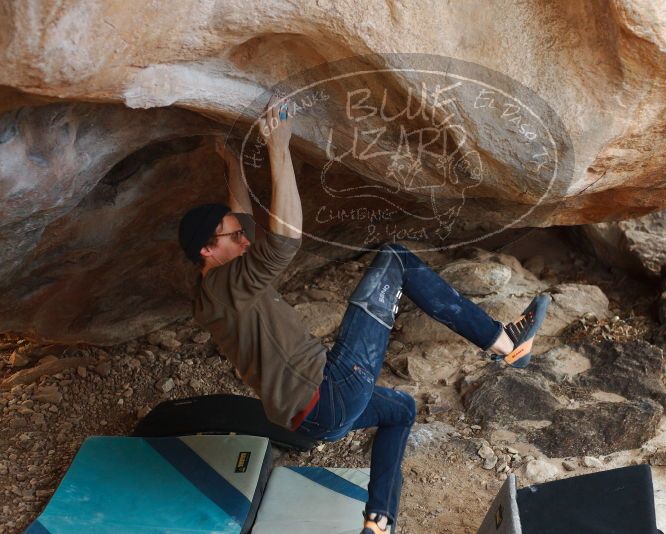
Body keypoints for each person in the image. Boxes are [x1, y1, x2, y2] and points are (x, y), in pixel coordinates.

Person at [178, 94, 551, 534]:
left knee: (400, 410)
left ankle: (379, 523)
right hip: (330, 389)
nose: (245, 240)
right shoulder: (230, 282)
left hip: (315, 419)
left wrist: (233, 163)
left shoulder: (213, 291)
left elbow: (242, 218)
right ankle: (504, 343)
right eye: (234, 237)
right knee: (395, 259)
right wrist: (278, 145)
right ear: (207, 249)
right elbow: (284, 241)